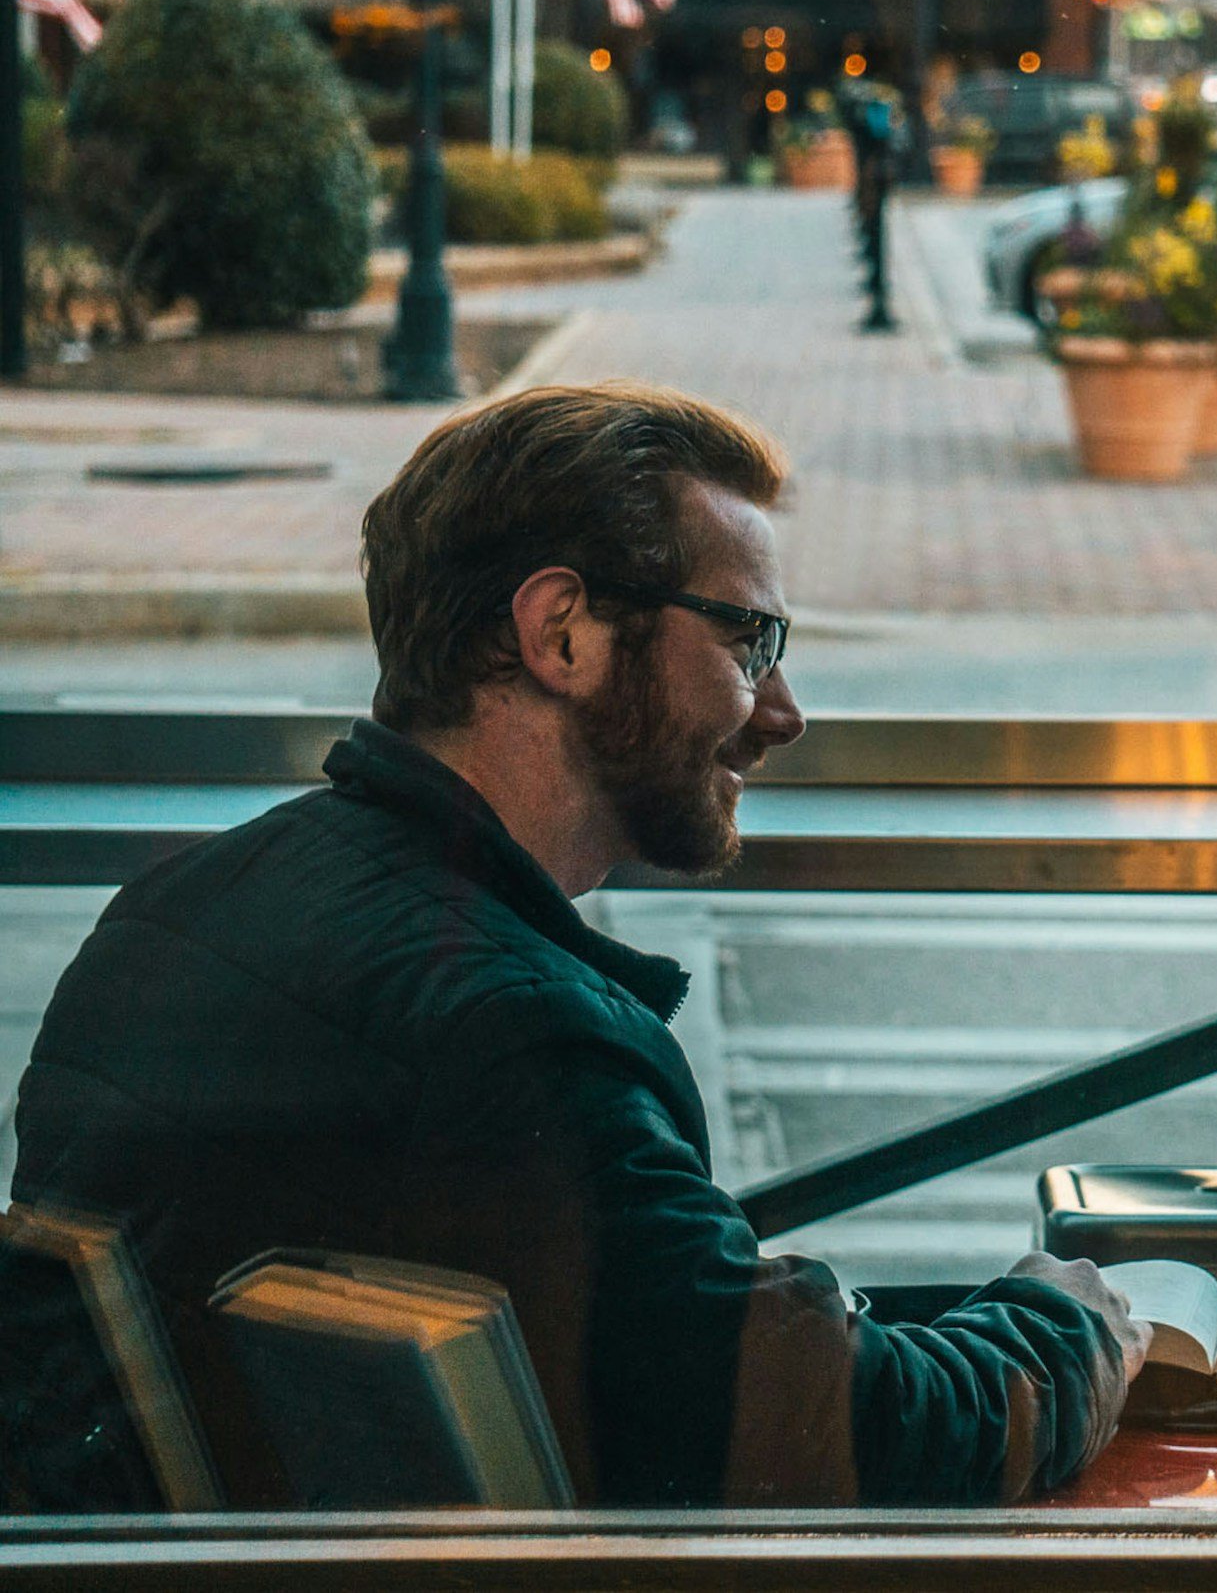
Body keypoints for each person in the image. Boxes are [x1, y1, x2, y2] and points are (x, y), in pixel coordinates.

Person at [5, 385, 1149, 1510]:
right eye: (750, 640)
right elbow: (839, 1432)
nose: (782, 709)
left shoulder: (168, 913)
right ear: (561, 631)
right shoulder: (512, 1037)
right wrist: (1070, 1322)